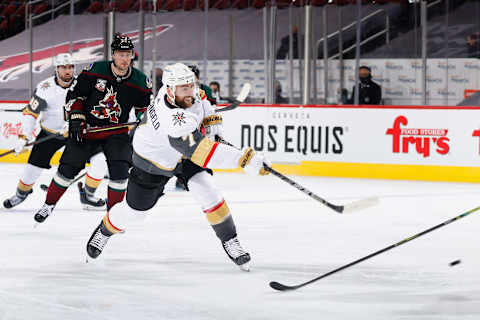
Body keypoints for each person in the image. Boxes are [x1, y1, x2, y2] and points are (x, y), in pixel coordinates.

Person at [84, 63, 270, 271]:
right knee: (136, 213)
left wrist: (213, 129)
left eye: (191, 85)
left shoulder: (182, 89)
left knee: (206, 188)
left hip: (183, 155)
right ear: (171, 91)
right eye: (184, 88)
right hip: (152, 162)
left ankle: (230, 240)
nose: (190, 92)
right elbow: (202, 152)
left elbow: (205, 104)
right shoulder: (172, 118)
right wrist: (244, 159)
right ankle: (105, 230)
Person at [32, 35, 152, 223]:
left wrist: (141, 119)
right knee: (66, 170)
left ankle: (113, 216)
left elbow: (144, 109)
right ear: (113, 55)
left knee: (120, 173)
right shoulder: (95, 70)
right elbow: (75, 95)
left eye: (128, 54)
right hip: (87, 129)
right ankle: (49, 204)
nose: (125, 59)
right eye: (121, 54)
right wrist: (77, 116)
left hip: (116, 133)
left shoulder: (140, 81)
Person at [3, 53, 108, 211]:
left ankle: (88, 196)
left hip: (77, 133)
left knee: (100, 159)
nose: (68, 71)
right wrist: (23, 137)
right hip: (49, 134)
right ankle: (21, 194)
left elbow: (96, 109)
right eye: (64, 67)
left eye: (70, 67)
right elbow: (30, 114)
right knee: (30, 173)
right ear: (56, 69)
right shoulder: (45, 88)